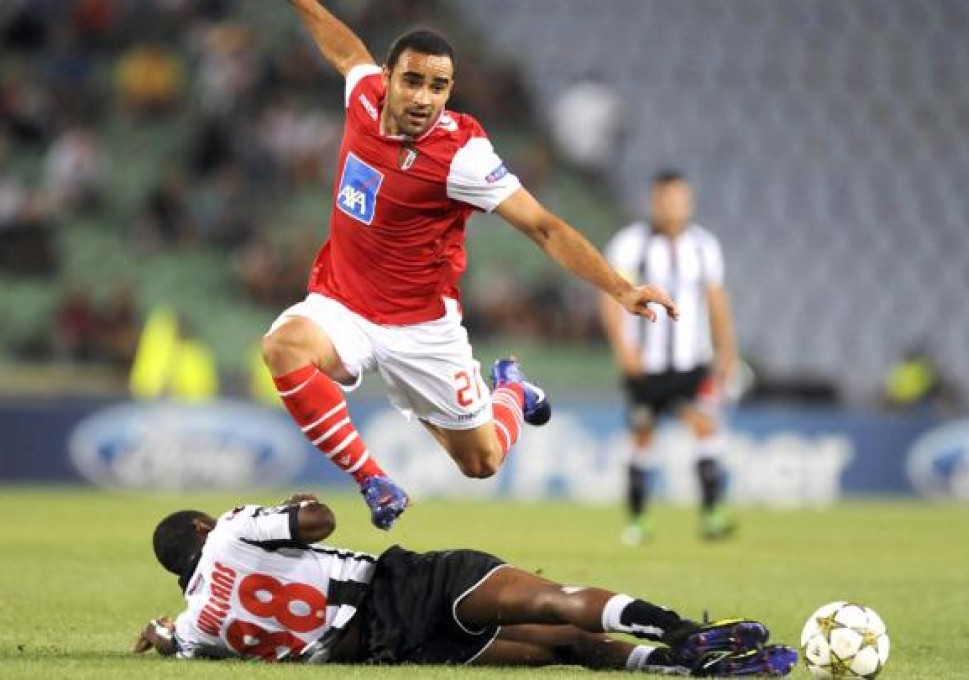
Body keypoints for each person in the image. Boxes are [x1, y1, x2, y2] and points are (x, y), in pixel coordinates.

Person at [260, 0, 679, 531]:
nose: (424, 98)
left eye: (438, 87)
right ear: (387, 78)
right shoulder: (363, 96)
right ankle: (373, 480)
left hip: (422, 329)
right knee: (283, 347)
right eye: (412, 81)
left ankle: (511, 391)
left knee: (480, 462)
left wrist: (619, 288)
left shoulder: (463, 155)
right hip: (341, 303)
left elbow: (542, 226)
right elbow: (344, 47)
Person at [134, 494, 797, 676]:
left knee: (558, 645)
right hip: (401, 587)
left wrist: (160, 634)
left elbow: (171, 639)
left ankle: (674, 668)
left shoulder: (196, 630)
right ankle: (682, 633)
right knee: (552, 599)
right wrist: (297, 502)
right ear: (199, 526)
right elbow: (319, 519)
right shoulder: (227, 531)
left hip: (389, 649)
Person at [599, 171, 740, 545]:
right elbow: (611, 297)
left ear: (688, 202)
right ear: (653, 201)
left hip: (693, 362)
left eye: (679, 199)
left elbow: (716, 299)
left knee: (706, 427)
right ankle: (638, 520)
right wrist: (625, 349)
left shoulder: (704, 245)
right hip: (646, 365)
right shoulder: (630, 244)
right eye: (665, 199)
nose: (672, 207)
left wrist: (727, 350)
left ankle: (713, 514)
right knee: (642, 436)